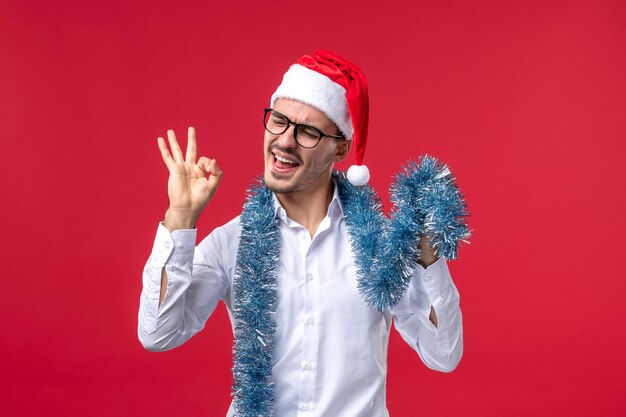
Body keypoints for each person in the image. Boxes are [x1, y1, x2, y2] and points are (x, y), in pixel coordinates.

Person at [138, 50, 463, 417]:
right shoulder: (233, 240)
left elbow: (443, 354)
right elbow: (158, 333)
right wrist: (180, 217)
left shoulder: (378, 242)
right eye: (278, 121)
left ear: (339, 147)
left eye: (307, 131)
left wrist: (428, 258)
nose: (285, 141)